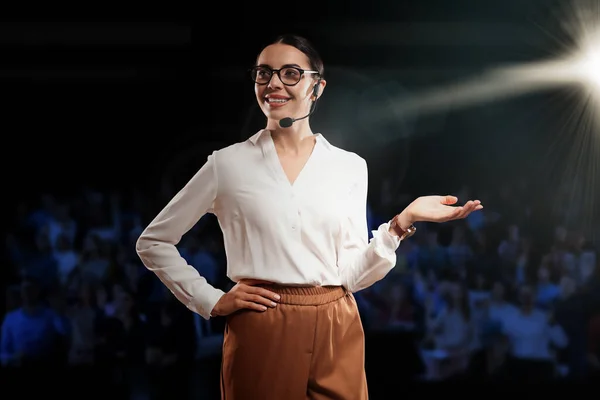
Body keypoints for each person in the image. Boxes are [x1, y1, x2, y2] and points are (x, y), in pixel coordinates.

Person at [136, 34, 483, 400]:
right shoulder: (227, 164)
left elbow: (350, 274)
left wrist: (401, 223)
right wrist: (210, 299)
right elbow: (154, 242)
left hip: (338, 321)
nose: (273, 83)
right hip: (262, 322)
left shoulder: (350, 166)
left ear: (316, 86)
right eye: (263, 73)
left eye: (290, 73)